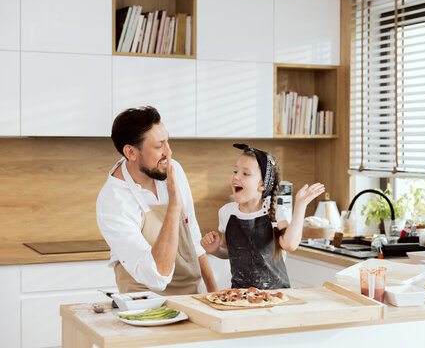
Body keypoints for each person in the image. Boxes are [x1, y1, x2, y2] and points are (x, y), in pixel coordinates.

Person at [96, 106, 217, 294]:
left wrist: (212, 291)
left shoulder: (172, 169)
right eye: (159, 146)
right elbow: (156, 277)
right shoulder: (114, 201)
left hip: (190, 295)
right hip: (145, 304)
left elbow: (192, 235)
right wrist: (174, 207)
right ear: (131, 153)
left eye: (167, 142)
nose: (169, 153)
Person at [200, 143, 324, 289]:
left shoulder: (277, 211)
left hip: (276, 297)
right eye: (235, 171)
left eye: (245, 174)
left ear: (262, 185)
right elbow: (228, 250)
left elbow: (289, 244)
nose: (236, 177)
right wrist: (214, 250)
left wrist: (300, 205)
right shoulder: (226, 212)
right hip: (239, 296)